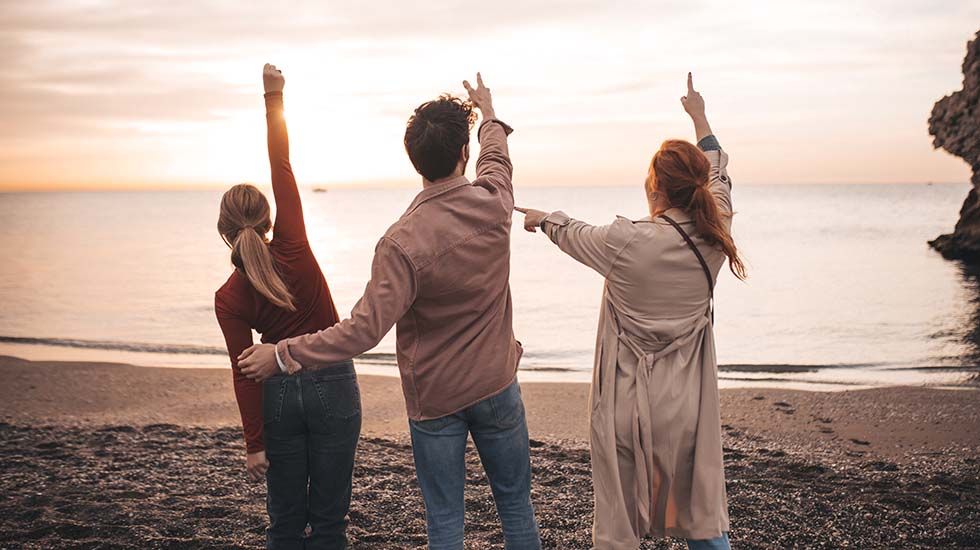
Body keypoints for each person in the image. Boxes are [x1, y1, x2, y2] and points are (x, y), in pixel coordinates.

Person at [237, 73, 541, 550]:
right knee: (516, 505)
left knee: (445, 521)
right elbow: (497, 157)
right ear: (462, 154)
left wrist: (282, 353)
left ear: (415, 161)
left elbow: (362, 331)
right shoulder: (494, 201)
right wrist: (488, 112)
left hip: (436, 399)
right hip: (496, 382)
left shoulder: (400, 242)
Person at [515, 73, 743, 550]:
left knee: (619, 525)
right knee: (701, 512)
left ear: (654, 185)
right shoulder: (715, 231)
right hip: (686, 408)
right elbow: (718, 168)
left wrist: (541, 218)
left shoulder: (626, 241)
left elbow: (572, 232)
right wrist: (699, 114)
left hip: (625, 405)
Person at [214, 64, 361, 550]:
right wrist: (273, 97)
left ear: (223, 233)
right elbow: (282, 165)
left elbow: (245, 372)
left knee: (284, 523)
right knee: (330, 522)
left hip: (276, 392)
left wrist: (253, 442)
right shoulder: (293, 242)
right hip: (333, 383)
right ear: (270, 219)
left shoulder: (229, 296)